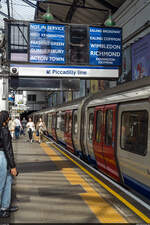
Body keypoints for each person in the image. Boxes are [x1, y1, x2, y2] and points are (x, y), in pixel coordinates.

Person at [0, 111, 18, 218]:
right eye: (8, 118)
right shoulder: (4, 130)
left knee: (8, 181)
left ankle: (5, 207)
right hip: (3, 157)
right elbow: (8, 149)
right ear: (6, 119)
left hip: (3, 156)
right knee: (2, 184)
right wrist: (13, 166)